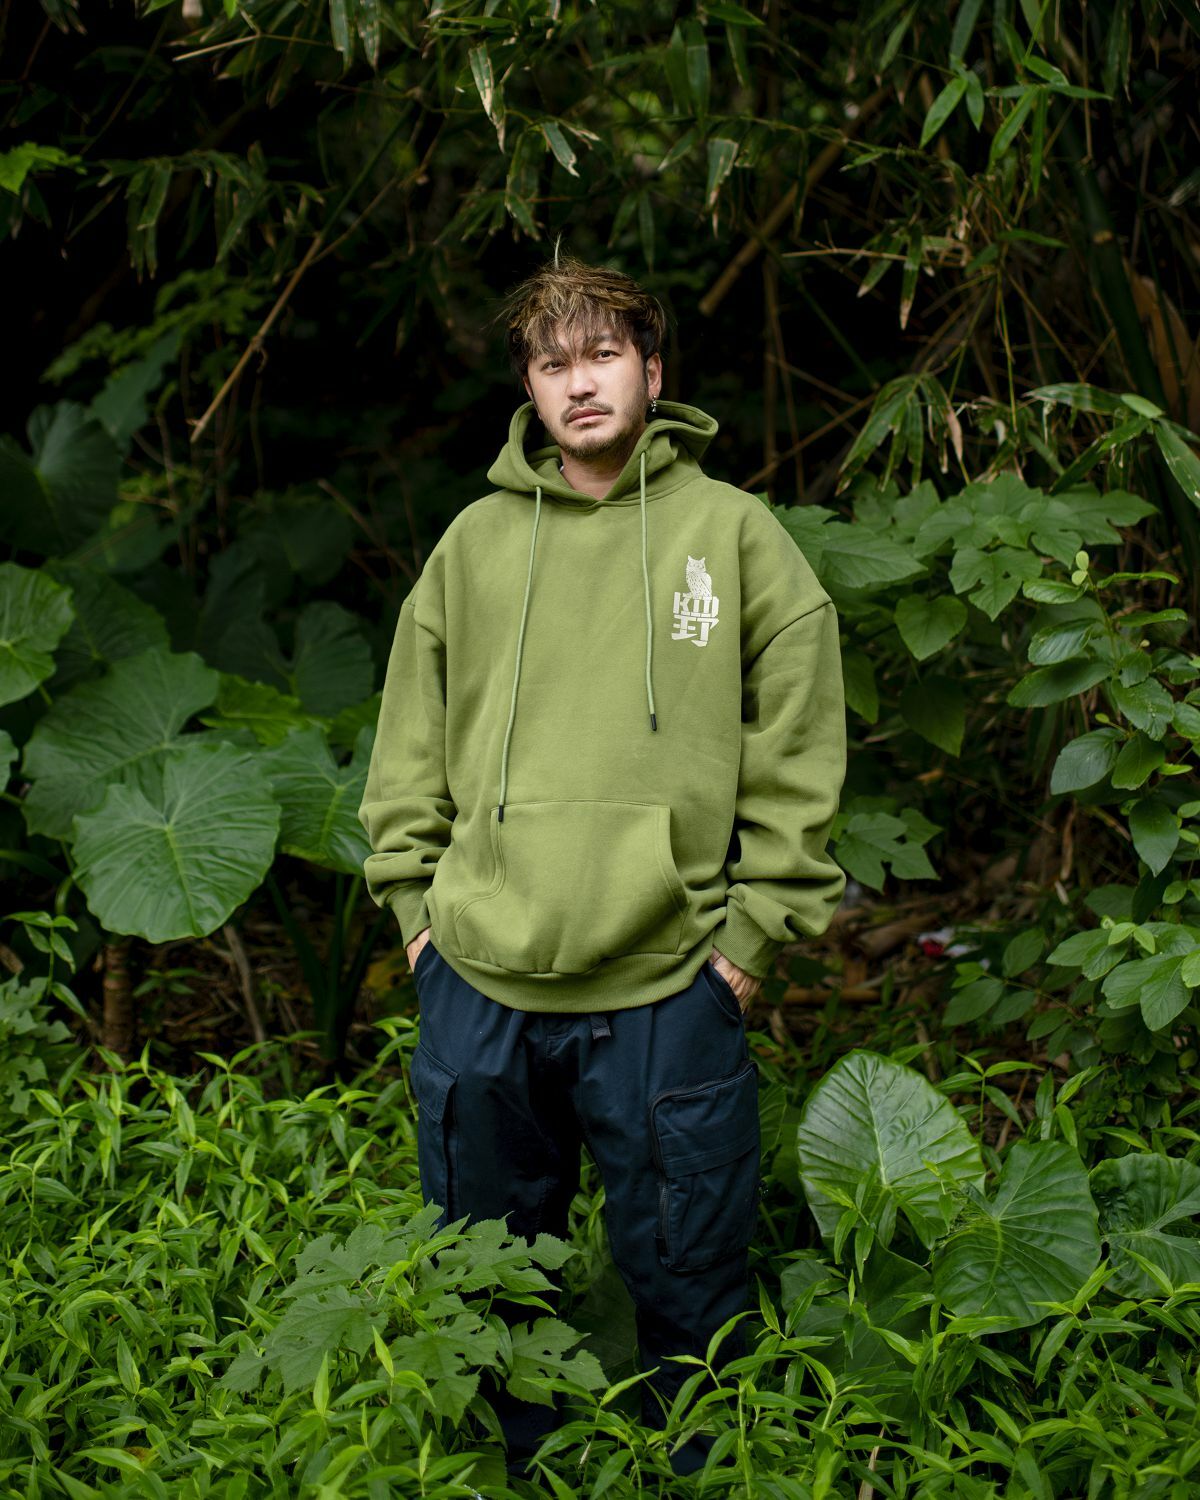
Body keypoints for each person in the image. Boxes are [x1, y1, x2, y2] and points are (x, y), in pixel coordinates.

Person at [357, 251, 847, 1477]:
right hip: (482, 977)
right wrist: (416, 914)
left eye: (603, 355)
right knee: (488, 1283)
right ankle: (519, 1472)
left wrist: (750, 940)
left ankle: (698, 1472)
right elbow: (408, 739)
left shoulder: (734, 536)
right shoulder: (473, 546)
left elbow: (798, 745)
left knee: (691, 1282)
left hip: (669, 982)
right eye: (553, 362)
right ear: (529, 387)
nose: (579, 383)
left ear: (653, 372)